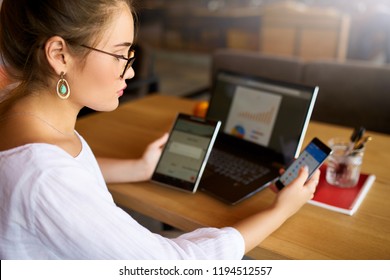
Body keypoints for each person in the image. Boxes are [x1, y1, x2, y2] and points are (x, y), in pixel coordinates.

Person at [0, 0, 319, 260]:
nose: (131, 69)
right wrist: (281, 211)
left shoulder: (18, 112)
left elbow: (66, 173)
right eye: (119, 55)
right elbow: (174, 267)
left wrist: (140, 167)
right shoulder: (44, 178)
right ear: (59, 55)